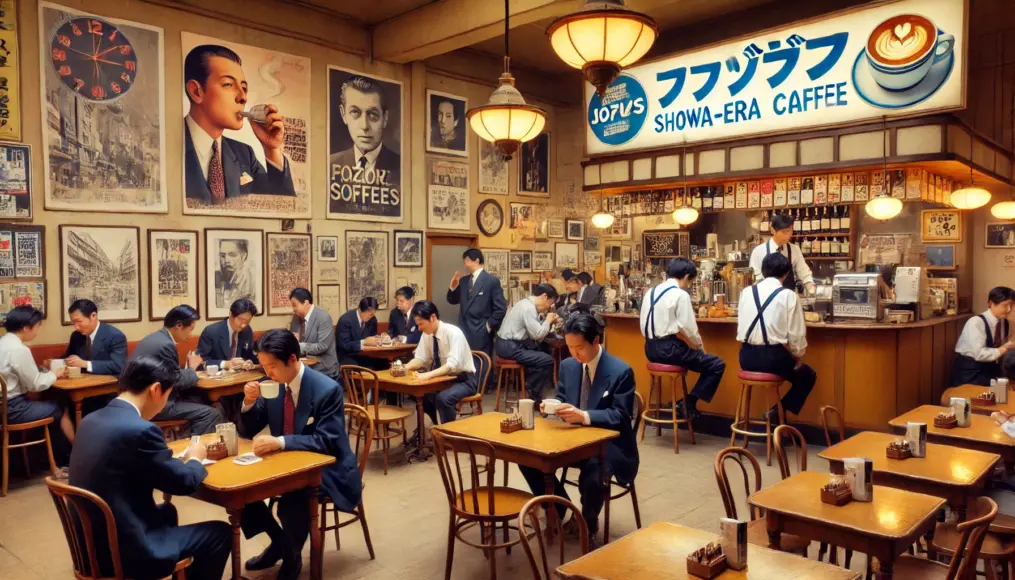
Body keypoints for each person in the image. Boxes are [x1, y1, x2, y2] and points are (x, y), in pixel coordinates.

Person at [69, 356, 231, 580]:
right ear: (156, 389)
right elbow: (183, 482)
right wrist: (195, 458)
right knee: (220, 533)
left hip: (89, 545)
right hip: (123, 550)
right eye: (168, 395)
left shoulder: (90, 420)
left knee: (167, 510)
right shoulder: (140, 430)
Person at [238, 330, 362, 580]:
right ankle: (280, 543)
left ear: (292, 359)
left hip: (328, 469)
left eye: (271, 366)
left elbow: (328, 441)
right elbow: (249, 429)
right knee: (241, 490)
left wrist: (281, 441)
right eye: (264, 366)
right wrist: (249, 402)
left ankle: (292, 555)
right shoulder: (273, 385)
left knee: (292, 500)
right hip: (286, 463)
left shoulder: (326, 389)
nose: (267, 373)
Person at [518, 312, 638, 547]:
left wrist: (584, 415)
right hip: (573, 437)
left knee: (594, 471)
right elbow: (564, 396)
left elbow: (621, 417)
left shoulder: (620, 371)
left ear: (596, 341)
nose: (574, 353)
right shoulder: (569, 366)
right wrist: (553, 406)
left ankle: (588, 523)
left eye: (579, 347)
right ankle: (561, 508)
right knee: (528, 457)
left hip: (610, 443)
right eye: (569, 347)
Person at [183, 44, 295, 202]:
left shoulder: (244, 155)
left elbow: (282, 208)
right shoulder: (162, 146)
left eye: (244, 88)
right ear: (196, 92)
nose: (243, 97)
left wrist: (272, 150)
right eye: (228, 84)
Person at [641, 258, 726, 420]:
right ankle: (688, 402)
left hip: (650, 349)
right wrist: (700, 348)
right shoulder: (680, 295)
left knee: (701, 360)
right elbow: (689, 329)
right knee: (716, 364)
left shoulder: (650, 292)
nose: (689, 285)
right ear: (687, 277)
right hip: (670, 351)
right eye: (691, 281)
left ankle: (685, 403)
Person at [736, 253, 817, 425]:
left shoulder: (746, 292)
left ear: (763, 271)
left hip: (745, 357)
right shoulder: (788, 295)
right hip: (773, 359)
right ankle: (776, 411)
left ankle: (775, 415)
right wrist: (797, 356)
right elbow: (796, 335)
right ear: (786, 273)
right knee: (807, 376)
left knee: (800, 372)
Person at [0, 306, 74, 468]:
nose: (38, 330)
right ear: (26, 327)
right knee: (58, 408)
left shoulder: (3, 342)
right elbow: (36, 384)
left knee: (53, 405)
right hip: (13, 408)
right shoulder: (19, 349)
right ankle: (65, 461)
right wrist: (56, 374)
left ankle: (58, 459)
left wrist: (42, 371)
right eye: (38, 326)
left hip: (3, 406)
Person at [131, 305, 223, 435]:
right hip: (156, 405)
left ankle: (187, 440)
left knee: (200, 400)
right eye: (190, 329)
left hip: (143, 399)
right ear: (179, 325)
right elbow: (176, 380)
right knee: (212, 413)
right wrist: (192, 367)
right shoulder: (166, 345)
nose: (191, 335)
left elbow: (169, 375)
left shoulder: (155, 338)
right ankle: (193, 449)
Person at [405, 301, 477, 425]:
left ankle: (448, 435)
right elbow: (421, 358)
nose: (419, 328)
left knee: (443, 398)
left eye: (421, 323)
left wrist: (427, 375)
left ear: (432, 318)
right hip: (443, 379)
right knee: (416, 394)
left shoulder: (453, 332)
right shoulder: (427, 334)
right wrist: (404, 367)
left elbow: (451, 366)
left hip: (464, 380)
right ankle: (434, 427)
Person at [328, 75, 401, 189]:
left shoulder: (401, 168)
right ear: (343, 115)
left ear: (385, 118)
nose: (365, 126)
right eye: (355, 112)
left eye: (373, 114)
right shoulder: (329, 164)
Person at [496, 284, 560, 401]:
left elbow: (534, 333)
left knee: (542, 350)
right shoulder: (528, 308)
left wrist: (546, 321)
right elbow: (537, 334)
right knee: (547, 360)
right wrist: (548, 320)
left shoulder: (525, 304)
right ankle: (531, 390)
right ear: (544, 296)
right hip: (510, 347)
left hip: (507, 344)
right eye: (551, 302)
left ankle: (532, 389)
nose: (550, 307)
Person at [446, 249, 507, 361]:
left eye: (467, 260)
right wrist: (452, 287)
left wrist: (488, 326)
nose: (465, 263)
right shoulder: (464, 281)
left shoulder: (491, 281)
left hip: (481, 330)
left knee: (482, 365)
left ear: (477, 260)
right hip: (463, 329)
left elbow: (501, 308)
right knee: (464, 365)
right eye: (464, 260)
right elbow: (453, 300)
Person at [951, 286, 1015, 386]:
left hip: (989, 370)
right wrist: (1005, 348)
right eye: (1005, 305)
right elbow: (979, 354)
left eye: (1012, 305)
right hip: (970, 372)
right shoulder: (976, 322)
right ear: (990, 304)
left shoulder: (1004, 323)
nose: (1009, 309)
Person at [748, 212, 815, 294]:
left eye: (790, 231)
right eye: (784, 232)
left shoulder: (794, 249)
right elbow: (756, 279)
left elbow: (804, 272)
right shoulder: (758, 251)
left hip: (788, 298)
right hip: (766, 298)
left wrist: (811, 288)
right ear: (773, 230)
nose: (787, 236)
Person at [61, 299, 128, 376]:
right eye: (73, 323)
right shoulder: (76, 335)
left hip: (107, 383)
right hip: (81, 382)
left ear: (93, 316)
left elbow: (118, 366)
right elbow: (68, 357)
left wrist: (85, 364)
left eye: (79, 321)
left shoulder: (115, 336)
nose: (76, 327)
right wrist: (53, 362)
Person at [288, 288, 339, 379]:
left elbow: (322, 346)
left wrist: (299, 346)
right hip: (304, 366)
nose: (293, 310)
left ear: (306, 303)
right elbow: (293, 341)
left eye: (295, 305)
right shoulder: (296, 317)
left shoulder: (323, 317)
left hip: (324, 368)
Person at [196, 298, 257, 370]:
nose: (243, 325)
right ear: (231, 314)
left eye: (247, 321)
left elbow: (249, 355)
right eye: (241, 320)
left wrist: (248, 362)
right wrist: (225, 364)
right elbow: (201, 362)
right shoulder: (211, 332)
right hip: (217, 377)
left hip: (240, 376)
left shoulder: (247, 331)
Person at [335, 297, 383, 370]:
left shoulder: (372, 319)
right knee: (357, 366)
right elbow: (343, 345)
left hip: (364, 354)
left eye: (372, 314)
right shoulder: (345, 320)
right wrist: (364, 342)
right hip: (346, 355)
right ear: (360, 310)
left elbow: (372, 335)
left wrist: (376, 339)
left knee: (385, 363)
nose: (370, 317)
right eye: (369, 314)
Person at [215, 239, 258, 308]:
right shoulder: (216, 280)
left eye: (232, 255)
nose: (226, 260)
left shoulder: (252, 284)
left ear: (243, 256)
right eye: (222, 255)